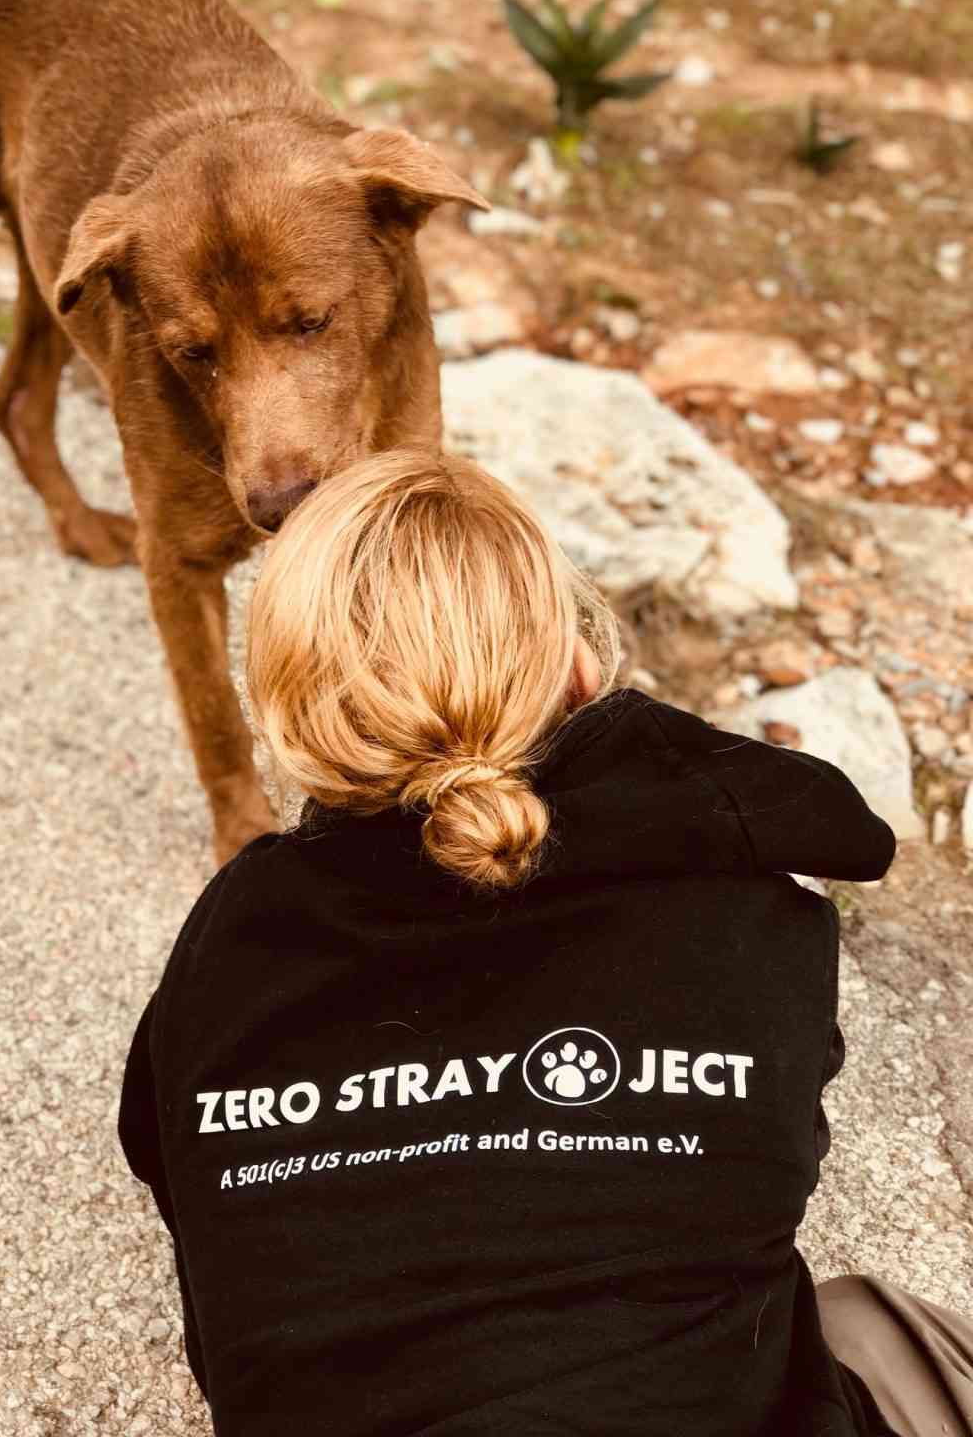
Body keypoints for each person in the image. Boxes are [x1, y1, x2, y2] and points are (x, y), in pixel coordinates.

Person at [119, 450, 973, 1436]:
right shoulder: (748, 913)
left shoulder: (231, 939)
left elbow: (167, 1160)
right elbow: (775, 1152)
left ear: (292, 713)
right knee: (861, 1319)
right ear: (577, 659)